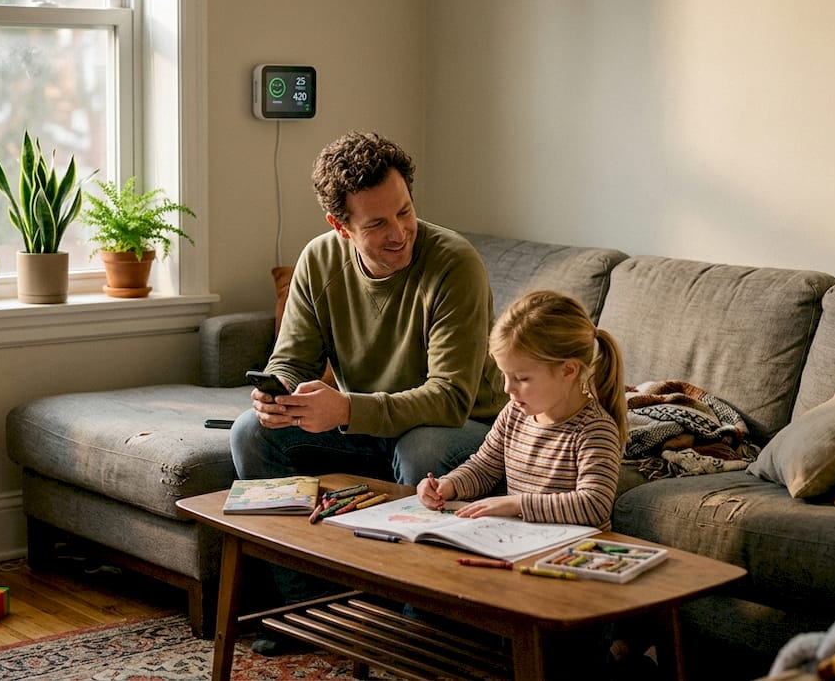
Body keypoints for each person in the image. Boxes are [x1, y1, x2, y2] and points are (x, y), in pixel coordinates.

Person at [229, 131, 506, 654]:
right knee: (251, 435)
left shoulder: (454, 264)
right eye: (377, 223)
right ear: (340, 227)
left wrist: (346, 408)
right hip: (367, 426)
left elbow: (449, 398)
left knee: (420, 447)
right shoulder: (319, 261)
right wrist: (279, 394)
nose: (400, 232)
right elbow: (291, 358)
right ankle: (309, 609)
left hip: (465, 431)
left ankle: (417, 622)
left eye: (405, 211)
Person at [418, 289, 626, 528]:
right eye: (505, 376)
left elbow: (593, 505)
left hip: (571, 552)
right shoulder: (514, 414)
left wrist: (515, 504)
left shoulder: (595, 430)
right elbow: (484, 467)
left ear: (568, 370)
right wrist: (448, 486)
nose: (508, 388)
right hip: (519, 540)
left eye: (522, 378)